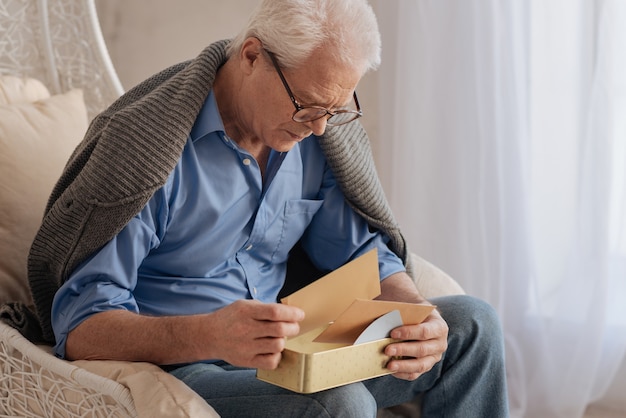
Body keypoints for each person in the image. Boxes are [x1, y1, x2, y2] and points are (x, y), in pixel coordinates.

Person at [27, 0, 508, 416]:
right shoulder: (149, 151)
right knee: (338, 404)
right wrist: (209, 335)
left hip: (292, 351)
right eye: (308, 106)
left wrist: (412, 309)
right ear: (252, 55)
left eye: (335, 110)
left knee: (473, 326)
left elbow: (358, 252)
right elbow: (81, 327)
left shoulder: (318, 139)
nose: (320, 128)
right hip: (185, 366)